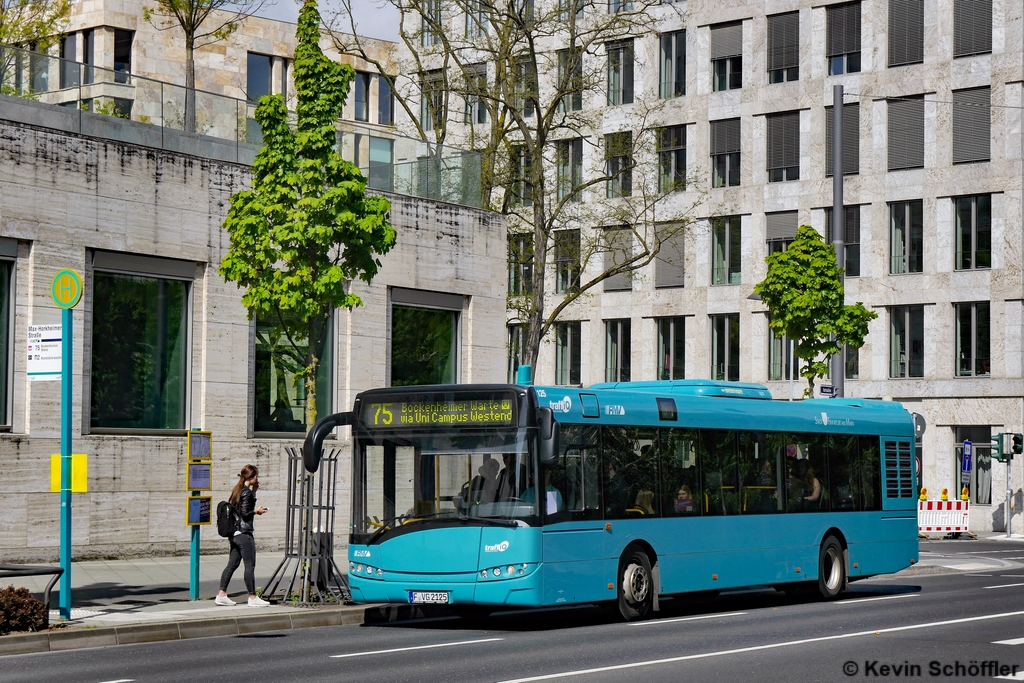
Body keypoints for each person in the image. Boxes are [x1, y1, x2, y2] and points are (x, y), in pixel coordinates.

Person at [216, 464, 269, 607]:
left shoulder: (238, 490)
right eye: (256, 476)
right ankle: (252, 597)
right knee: (249, 565)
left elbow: (240, 509)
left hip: (234, 534)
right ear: (251, 477)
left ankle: (221, 594)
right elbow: (245, 513)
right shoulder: (246, 493)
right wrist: (256, 512)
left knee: (232, 565)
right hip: (244, 534)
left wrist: (255, 492)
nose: (257, 478)